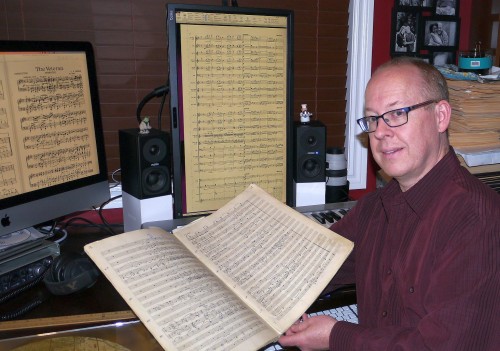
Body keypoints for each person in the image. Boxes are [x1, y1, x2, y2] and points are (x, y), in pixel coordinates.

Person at [278, 57, 500, 350]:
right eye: (372, 119)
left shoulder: (476, 220)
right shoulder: (374, 208)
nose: (380, 132)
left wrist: (334, 336)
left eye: (396, 113)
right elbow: (317, 263)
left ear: (440, 116)